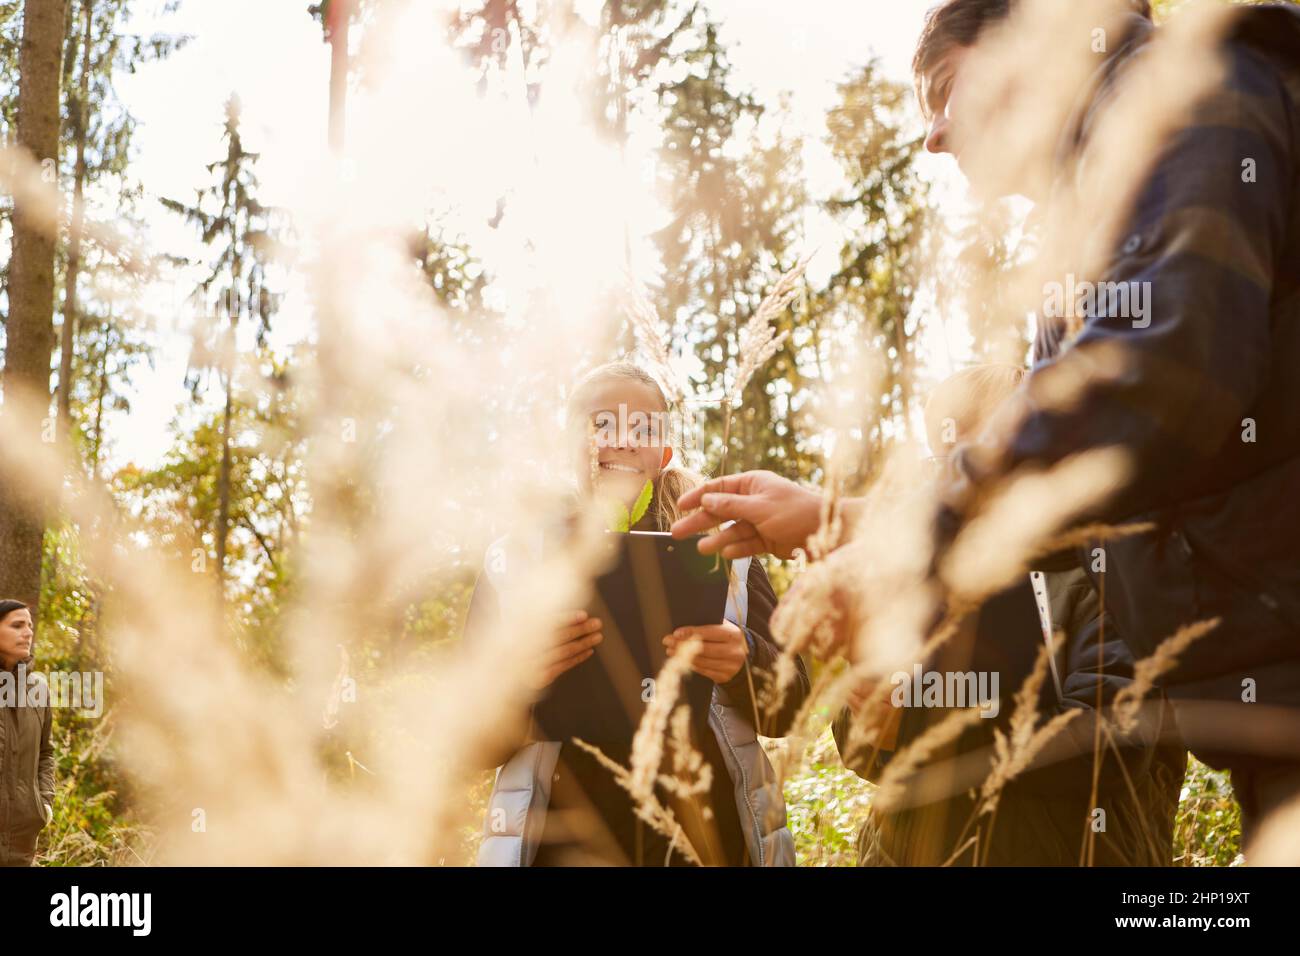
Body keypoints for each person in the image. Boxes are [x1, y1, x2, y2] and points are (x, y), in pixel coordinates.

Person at [672, 0, 1300, 850]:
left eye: (942, 89)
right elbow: (1082, 500)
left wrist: (906, 547)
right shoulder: (1099, 209)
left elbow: (1163, 374)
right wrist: (838, 521)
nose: (933, 135)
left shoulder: (1185, 95)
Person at [832, 366, 1185, 866]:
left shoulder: (1110, 563)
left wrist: (921, 723)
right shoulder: (920, 574)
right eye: (948, 460)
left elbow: (1111, 747)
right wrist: (872, 716)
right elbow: (857, 744)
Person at [469, 361, 810, 866]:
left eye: (643, 428)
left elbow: (793, 705)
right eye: (601, 424)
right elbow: (465, 741)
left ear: (664, 451)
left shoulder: (725, 549)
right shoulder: (514, 563)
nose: (623, 441)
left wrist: (747, 660)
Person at [0, 600, 55, 867]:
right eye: (17, 625)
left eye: (30, 626)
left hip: (23, 839)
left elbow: (46, 752)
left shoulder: (39, 689)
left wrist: (44, 803)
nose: (28, 632)